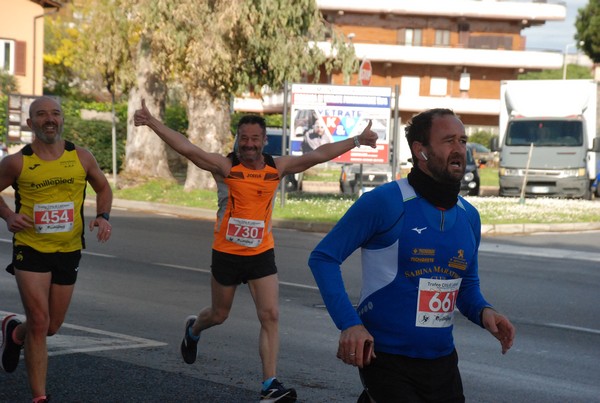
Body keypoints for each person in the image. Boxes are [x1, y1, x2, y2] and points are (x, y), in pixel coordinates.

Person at [133, 100, 378, 402]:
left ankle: (269, 385)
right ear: (237, 140)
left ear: (264, 141)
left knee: (271, 315)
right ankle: (194, 328)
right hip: (226, 253)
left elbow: (317, 155)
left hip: (261, 253)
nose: (248, 145)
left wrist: (358, 140)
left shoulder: (276, 168)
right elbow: (188, 149)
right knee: (219, 314)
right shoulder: (226, 167)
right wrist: (152, 122)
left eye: (254, 139)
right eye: (243, 138)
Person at [308, 108, 515, 403]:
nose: (459, 149)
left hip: (443, 362)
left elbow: (465, 287)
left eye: (462, 140)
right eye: (448, 141)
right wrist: (349, 324)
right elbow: (323, 258)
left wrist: (485, 313)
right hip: (386, 358)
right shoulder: (385, 202)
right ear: (422, 151)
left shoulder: (470, 217)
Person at [0, 96, 113, 403]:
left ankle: (14, 333)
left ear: (62, 119)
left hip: (69, 249)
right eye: (41, 115)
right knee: (39, 320)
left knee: (50, 326)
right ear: (30, 123)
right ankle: (40, 397)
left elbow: (103, 187)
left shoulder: (81, 157)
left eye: (55, 114)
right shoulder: (17, 161)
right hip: (30, 248)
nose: (49, 119)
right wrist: (10, 216)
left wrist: (103, 217)